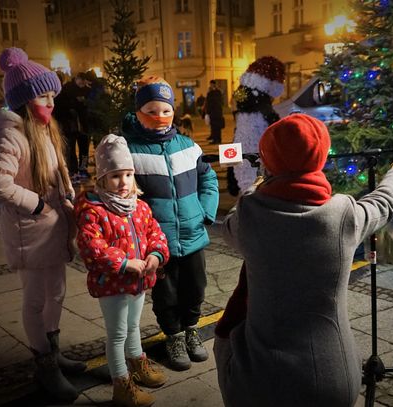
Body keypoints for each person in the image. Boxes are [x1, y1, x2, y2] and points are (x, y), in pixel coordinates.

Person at [213, 113, 393, 406]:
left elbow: (231, 222)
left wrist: (259, 182)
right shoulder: (343, 215)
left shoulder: (250, 215)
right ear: (319, 159)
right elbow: (384, 201)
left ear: (268, 162)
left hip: (260, 381)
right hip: (333, 378)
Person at [0, 47, 84, 402]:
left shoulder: (44, 129)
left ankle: (54, 347)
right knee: (35, 298)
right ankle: (44, 364)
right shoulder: (11, 133)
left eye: (52, 96)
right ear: (25, 100)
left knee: (57, 293)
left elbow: (56, 169)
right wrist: (36, 205)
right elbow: (0, 183)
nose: (52, 102)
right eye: (45, 96)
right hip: (30, 231)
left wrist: (67, 192)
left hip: (53, 225)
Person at [120, 76, 219, 371]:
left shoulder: (188, 146)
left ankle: (191, 329)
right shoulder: (130, 151)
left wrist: (205, 211)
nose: (160, 117)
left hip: (193, 234)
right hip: (157, 242)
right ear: (138, 113)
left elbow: (208, 179)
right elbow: (125, 193)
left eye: (165, 110)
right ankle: (173, 335)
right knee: (166, 293)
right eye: (151, 110)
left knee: (196, 287)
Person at [75, 134, 169, 407]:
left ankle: (137, 363)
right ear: (102, 178)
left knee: (133, 327)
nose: (123, 182)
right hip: (112, 283)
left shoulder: (139, 207)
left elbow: (155, 233)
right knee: (117, 334)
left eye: (128, 174)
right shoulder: (94, 210)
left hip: (138, 282)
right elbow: (92, 246)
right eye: (115, 175)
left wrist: (155, 255)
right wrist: (125, 263)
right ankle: (121, 383)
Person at [231, 56, 286, 196]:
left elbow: (235, 142)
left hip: (244, 174)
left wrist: (231, 176)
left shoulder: (243, 112)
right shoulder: (265, 112)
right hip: (262, 177)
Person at [53, 71, 91, 183]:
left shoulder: (86, 90)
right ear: (77, 78)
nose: (83, 83)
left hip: (83, 125)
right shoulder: (66, 90)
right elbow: (61, 108)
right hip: (70, 125)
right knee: (70, 149)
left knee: (84, 149)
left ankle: (82, 169)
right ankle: (73, 171)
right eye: (82, 80)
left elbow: (89, 106)